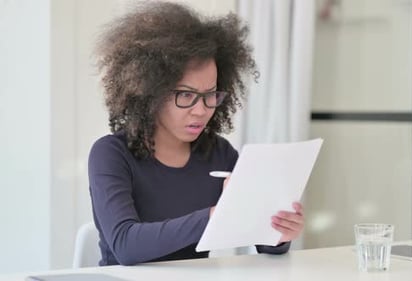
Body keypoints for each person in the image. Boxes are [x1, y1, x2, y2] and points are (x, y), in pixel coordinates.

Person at [88, 1, 305, 266]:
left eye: (210, 95)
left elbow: (265, 244)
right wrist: (216, 215)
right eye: (186, 95)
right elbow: (126, 246)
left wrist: (280, 232)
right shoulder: (111, 154)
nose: (201, 110)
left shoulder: (220, 154)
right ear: (150, 92)